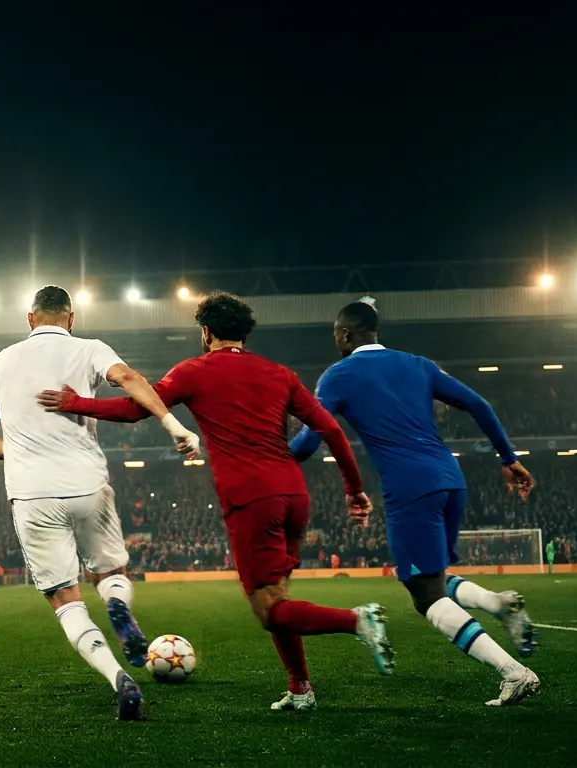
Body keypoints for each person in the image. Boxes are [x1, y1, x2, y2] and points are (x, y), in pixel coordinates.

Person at [38, 291, 394, 713]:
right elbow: (331, 431)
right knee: (279, 597)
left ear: (206, 332)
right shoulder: (279, 373)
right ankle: (300, 688)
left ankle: (358, 621)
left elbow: (136, 409)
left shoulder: (195, 371)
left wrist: (76, 403)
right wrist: (354, 489)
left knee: (268, 609)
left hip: (251, 498)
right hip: (294, 495)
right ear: (244, 333)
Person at [288, 298, 539, 706]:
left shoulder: (337, 376)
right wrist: (509, 459)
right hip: (449, 481)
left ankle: (513, 672)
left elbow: (308, 442)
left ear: (346, 334)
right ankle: (499, 603)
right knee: (430, 578)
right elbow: (479, 404)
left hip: (409, 487)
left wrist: (271, 451)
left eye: (336, 333)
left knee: (425, 597)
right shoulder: (418, 364)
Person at [0, 285, 201, 721]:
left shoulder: (0, 362)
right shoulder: (89, 348)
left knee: (65, 599)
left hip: (32, 494)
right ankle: (117, 602)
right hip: (86, 484)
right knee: (110, 572)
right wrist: (173, 426)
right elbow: (130, 380)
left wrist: (19, 451)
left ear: (29, 318)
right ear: (71, 319)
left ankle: (120, 680)